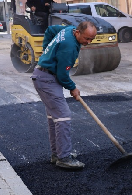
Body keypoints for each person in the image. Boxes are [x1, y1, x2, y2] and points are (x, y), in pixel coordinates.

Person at [31, 20, 97, 170]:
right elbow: (62, 75)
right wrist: (73, 88)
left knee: (55, 117)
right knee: (63, 116)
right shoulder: (69, 47)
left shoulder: (69, 29)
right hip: (47, 78)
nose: (87, 42)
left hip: (45, 76)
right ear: (78, 32)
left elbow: (50, 30)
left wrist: (47, 51)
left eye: (91, 39)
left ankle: (57, 154)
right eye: (86, 38)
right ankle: (64, 158)